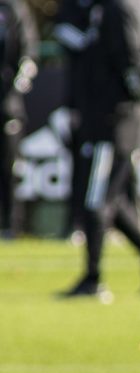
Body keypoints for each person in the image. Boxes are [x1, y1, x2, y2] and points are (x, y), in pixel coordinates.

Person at [55, 0, 140, 298]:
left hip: (114, 121)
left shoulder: (118, 8)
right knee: (111, 201)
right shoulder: (105, 8)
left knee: (95, 200)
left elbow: (131, 60)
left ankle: (93, 278)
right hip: (108, 118)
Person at [0, 0, 37, 239]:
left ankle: (10, 225)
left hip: (6, 104)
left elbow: (29, 50)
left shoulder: (14, 9)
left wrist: (21, 76)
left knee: (9, 166)